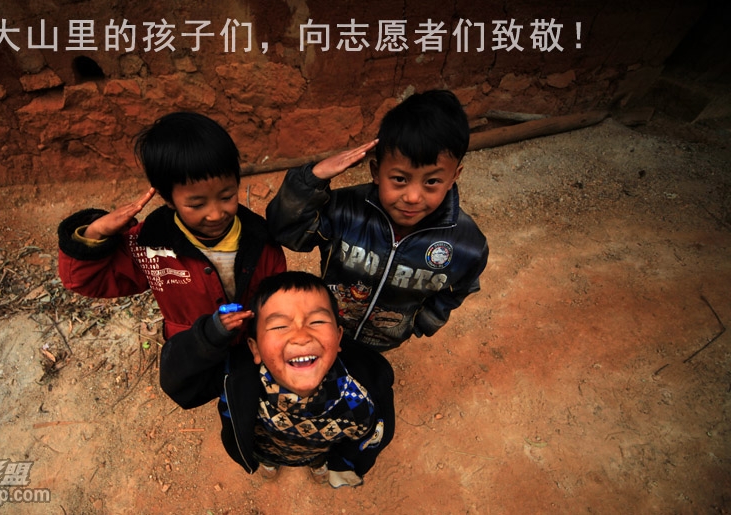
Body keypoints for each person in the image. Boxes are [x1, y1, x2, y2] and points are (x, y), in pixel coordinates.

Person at [266, 89, 488, 351]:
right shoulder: (345, 211)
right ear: (376, 171)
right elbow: (287, 230)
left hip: (382, 342)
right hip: (327, 327)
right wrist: (312, 178)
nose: (413, 197)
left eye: (432, 181)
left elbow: (459, 287)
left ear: (454, 177)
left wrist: (422, 322)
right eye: (400, 179)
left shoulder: (466, 244)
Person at [57, 112, 286, 340]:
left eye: (227, 197)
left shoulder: (261, 241)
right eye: (197, 204)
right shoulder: (150, 246)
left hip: (252, 345)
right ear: (168, 199)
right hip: (189, 350)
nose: (216, 214)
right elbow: (83, 280)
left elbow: (277, 303)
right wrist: (95, 232)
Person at [160, 271, 394, 488]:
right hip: (264, 447)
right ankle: (269, 463)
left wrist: (343, 463)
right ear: (255, 348)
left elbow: (372, 437)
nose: (301, 336)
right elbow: (180, 385)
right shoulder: (238, 376)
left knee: (319, 457)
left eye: (317, 322)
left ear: (339, 336)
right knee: (267, 457)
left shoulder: (365, 393)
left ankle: (317, 463)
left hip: (320, 449)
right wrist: (209, 337)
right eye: (280, 325)